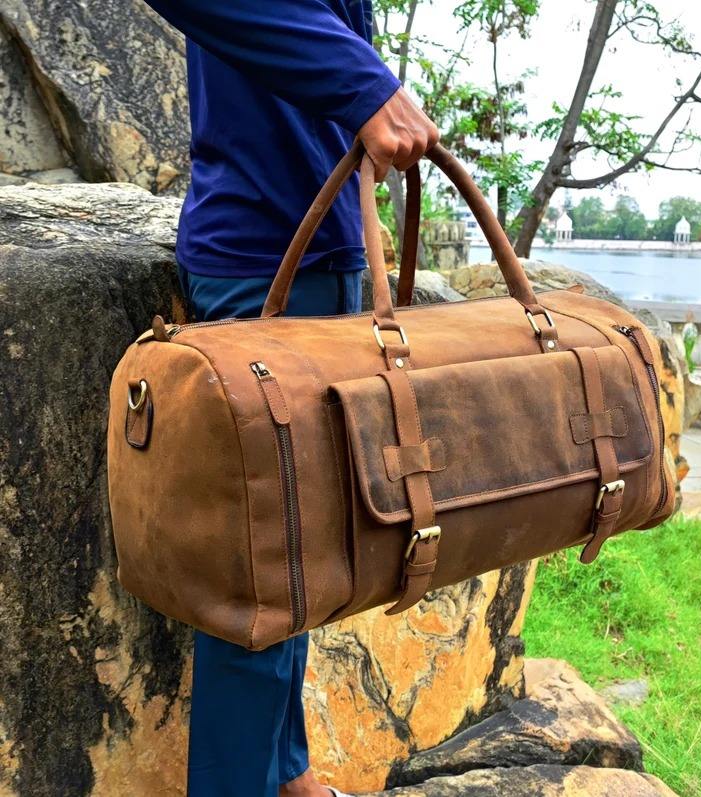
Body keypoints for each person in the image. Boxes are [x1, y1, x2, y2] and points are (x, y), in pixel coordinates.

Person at [140, 1, 439, 795]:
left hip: (325, 245)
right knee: (261, 561)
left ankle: (284, 770)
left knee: (306, 549)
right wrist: (366, 85)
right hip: (261, 250)